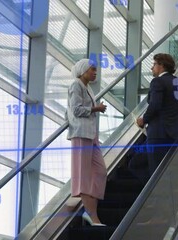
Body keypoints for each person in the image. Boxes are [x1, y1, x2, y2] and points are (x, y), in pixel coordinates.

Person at [66, 59, 107, 226]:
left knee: (100, 171)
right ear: (83, 70)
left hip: (91, 134)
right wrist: (95, 108)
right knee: (83, 176)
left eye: (95, 70)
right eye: (92, 70)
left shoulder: (86, 87)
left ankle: (90, 212)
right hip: (81, 134)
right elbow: (75, 109)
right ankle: (92, 215)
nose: (95, 72)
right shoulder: (75, 85)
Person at [137, 53, 178, 175]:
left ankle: (154, 193)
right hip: (174, 133)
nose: (152, 68)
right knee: (137, 164)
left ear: (161, 65)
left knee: (156, 171)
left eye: (154, 64)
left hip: (158, 134)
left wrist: (143, 119)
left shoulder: (157, 81)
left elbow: (155, 104)